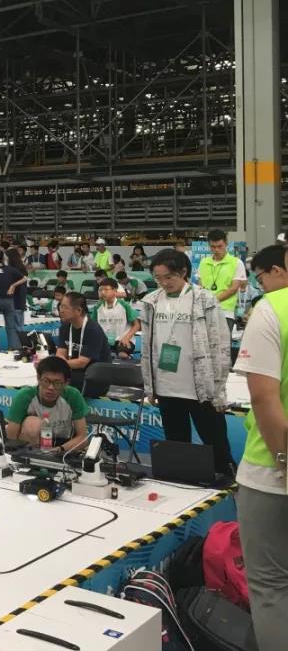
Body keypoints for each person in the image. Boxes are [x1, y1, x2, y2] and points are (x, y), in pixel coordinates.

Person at [233, 243, 288, 650]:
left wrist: (284, 460)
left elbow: (265, 398)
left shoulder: (271, 310)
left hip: (271, 471)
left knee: (270, 586)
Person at [138, 248, 233, 477]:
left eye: (169, 276)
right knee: (177, 446)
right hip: (167, 386)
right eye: (158, 278)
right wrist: (150, 386)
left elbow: (219, 345)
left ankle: (228, 482)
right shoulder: (151, 301)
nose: (164, 283)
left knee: (216, 444)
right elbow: (147, 348)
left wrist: (219, 391)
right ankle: (184, 484)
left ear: (183, 272)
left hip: (201, 387)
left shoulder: (204, 299)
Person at [5, 356, 90, 451]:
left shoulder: (73, 395)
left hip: (63, 446)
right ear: (38, 378)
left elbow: (83, 438)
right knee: (32, 424)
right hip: (32, 445)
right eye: (46, 381)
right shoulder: (25, 396)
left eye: (57, 383)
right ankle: (31, 457)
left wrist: (59, 450)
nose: (51, 388)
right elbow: (11, 437)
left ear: (66, 383)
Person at [55, 292, 111, 391]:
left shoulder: (93, 330)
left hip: (96, 377)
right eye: (60, 306)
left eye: (65, 307)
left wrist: (59, 365)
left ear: (78, 310)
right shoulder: (65, 327)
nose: (61, 311)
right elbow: (60, 353)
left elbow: (82, 363)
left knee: (56, 381)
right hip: (73, 371)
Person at [197, 228, 247, 331]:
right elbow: (200, 285)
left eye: (220, 246)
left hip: (225, 311)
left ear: (226, 243)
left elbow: (234, 288)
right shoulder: (203, 262)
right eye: (213, 247)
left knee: (223, 341)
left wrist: (213, 301)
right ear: (208, 245)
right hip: (204, 312)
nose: (216, 250)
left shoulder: (236, 263)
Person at [90, 279, 140, 358]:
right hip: (105, 341)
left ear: (115, 291)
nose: (103, 292)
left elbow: (137, 325)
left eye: (106, 289)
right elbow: (92, 325)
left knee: (122, 354)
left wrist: (127, 337)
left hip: (123, 340)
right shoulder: (98, 307)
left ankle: (125, 357)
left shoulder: (124, 305)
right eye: (100, 290)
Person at [6, 247, 30, 331]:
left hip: (19, 293)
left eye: (7, 257)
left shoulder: (19, 267)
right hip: (15, 294)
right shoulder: (12, 267)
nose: (6, 259)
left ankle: (20, 336)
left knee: (18, 316)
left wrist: (13, 285)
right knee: (15, 318)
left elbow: (25, 278)